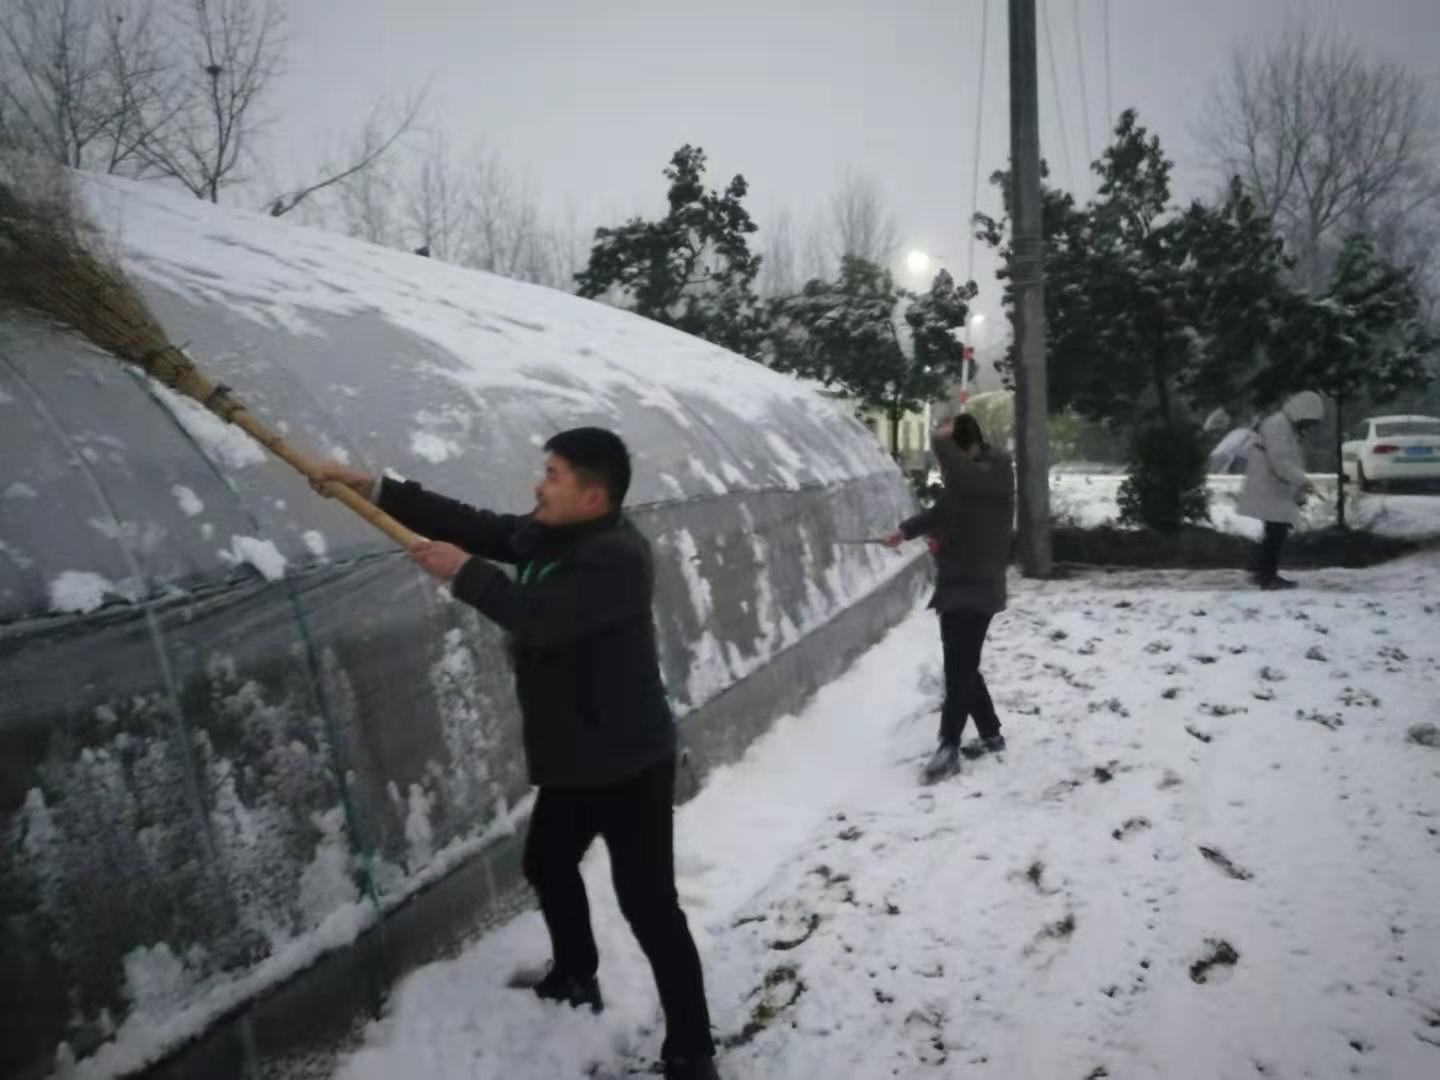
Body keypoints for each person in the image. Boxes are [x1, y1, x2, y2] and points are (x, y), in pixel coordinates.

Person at [313, 428, 720, 1080]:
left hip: (627, 761)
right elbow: (478, 526)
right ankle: (576, 975)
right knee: (549, 861)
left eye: (554, 474)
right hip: (572, 758)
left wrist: (463, 573)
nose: (540, 483)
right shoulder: (549, 532)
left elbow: (541, 616)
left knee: (647, 903)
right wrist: (379, 491)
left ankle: (692, 1049)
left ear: (593, 497)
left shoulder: (617, 557)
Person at [883, 414, 1015, 782]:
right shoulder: (967, 482)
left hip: (981, 585)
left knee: (959, 666)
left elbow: (962, 479)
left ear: (971, 448)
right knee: (961, 663)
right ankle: (990, 735)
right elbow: (942, 511)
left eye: (955, 454)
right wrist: (904, 531)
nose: (951, 465)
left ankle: (949, 744)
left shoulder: (996, 472)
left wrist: (941, 441)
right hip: (954, 582)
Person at [1236, 390, 1323, 591]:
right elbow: (1280, 461)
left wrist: (1300, 486)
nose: (1308, 427)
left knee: (1275, 531)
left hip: (1275, 487)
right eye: (1309, 422)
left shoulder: (1285, 426)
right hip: (1270, 486)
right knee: (1276, 532)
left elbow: (1288, 461)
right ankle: (1266, 576)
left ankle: (1264, 573)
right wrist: (1302, 481)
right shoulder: (1279, 426)